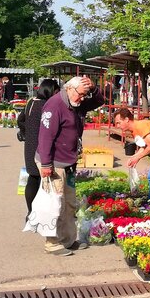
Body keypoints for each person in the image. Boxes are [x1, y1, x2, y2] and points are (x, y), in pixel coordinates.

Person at [36, 76, 104, 256]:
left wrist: (93, 87)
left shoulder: (77, 103)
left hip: (69, 162)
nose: (83, 99)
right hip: (54, 162)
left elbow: (99, 101)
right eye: (81, 95)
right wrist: (45, 164)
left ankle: (67, 240)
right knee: (55, 204)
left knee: (70, 203)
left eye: (85, 95)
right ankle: (52, 242)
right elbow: (45, 137)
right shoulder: (54, 105)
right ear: (70, 89)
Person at [17, 79, 60, 220]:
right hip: (42, 146)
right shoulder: (47, 105)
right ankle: (43, 213)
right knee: (44, 179)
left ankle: (30, 212)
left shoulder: (31, 102)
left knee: (33, 177)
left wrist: (26, 132)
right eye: (56, 92)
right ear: (51, 91)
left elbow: (20, 120)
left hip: (30, 145)